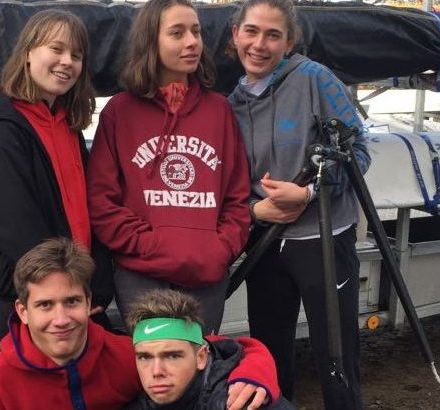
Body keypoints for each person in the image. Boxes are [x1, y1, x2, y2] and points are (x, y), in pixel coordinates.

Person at [226, 0, 371, 408]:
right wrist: (254, 211)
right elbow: (227, 184)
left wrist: (308, 193)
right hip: (265, 242)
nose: (259, 44)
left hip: (323, 237)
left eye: (273, 35)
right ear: (235, 34)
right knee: (268, 355)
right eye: (251, 31)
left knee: (336, 355)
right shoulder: (230, 104)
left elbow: (359, 152)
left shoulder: (315, 79)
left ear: (289, 42)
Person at [0, 238, 281, 410]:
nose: (61, 319)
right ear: (23, 311)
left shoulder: (127, 355)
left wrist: (255, 374)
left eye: (71, 301)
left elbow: (226, 351)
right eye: (45, 305)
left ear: (89, 302)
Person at [86, 0, 251, 334]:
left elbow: (237, 197)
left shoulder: (218, 110)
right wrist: (150, 245)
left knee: (200, 360)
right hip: (142, 275)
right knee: (155, 364)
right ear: (151, 41)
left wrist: (218, 249)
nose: (191, 42)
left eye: (196, 32)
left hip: (205, 275)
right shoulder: (119, 112)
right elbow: (102, 202)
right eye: (177, 33)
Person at [0, 10, 112, 343]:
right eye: (56, 49)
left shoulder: (68, 125)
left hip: (75, 292)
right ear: (28, 53)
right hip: (31, 298)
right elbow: (16, 224)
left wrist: (98, 282)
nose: (67, 61)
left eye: (76, 55)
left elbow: (88, 207)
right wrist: (64, 292)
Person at [124, 289, 296, 409]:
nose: (156, 371)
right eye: (145, 357)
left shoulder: (242, 400)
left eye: (172, 356)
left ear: (201, 357)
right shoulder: (138, 403)